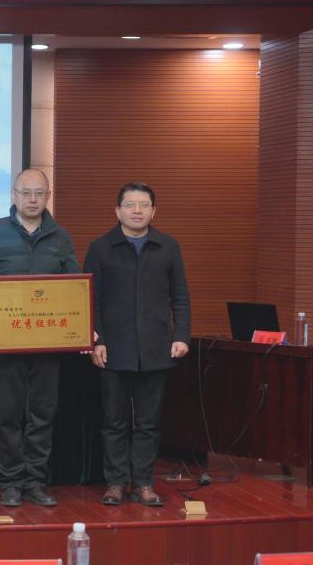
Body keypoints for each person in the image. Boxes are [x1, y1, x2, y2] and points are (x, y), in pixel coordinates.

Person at [0, 169, 78, 508]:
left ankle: (35, 482)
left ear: (48, 196)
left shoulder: (61, 236)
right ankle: (11, 483)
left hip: (48, 340)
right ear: (13, 195)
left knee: (42, 414)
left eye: (39, 193)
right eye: (26, 192)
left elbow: (74, 284)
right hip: (5, 341)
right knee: (8, 414)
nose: (32, 199)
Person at [84, 181, 191, 508]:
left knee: (148, 423)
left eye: (144, 205)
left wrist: (181, 336)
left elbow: (180, 297)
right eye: (130, 205)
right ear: (117, 211)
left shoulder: (168, 247)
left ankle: (144, 482)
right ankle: (116, 482)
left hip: (156, 348)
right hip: (113, 349)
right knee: (114, 422)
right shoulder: (100, 248)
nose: (137, 210)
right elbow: (90, 301)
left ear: (153, 211)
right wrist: (96, 340)